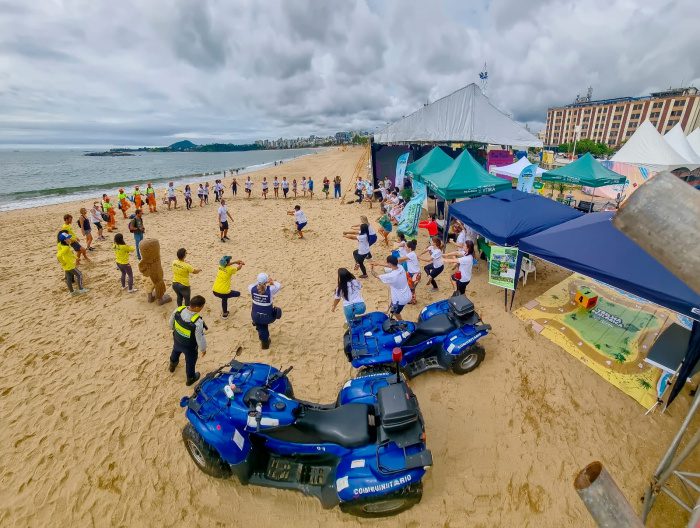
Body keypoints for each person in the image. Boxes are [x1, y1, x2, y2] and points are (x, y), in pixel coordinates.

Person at [168, 295, 207, 386]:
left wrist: (177, 331)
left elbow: (170, 323)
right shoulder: (197, 322)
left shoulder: (178, 310)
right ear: (197, 307)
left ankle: (172, 366)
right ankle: (190, 378)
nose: (202, 308)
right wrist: (203, 349)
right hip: (189, 347)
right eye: (202, 307)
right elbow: (199, 338)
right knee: (190, 362)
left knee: (175, 351)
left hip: (177, 339)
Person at [369, 255, 412, 320]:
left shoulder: (391, 276)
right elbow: (389, 265)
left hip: (400, 300)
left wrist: (371, 269)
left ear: (390, 263)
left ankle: (401, 322)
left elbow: (376, 275)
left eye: (387, 262)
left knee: (396, 313)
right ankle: (388, 310)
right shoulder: (401, 267)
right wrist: (378, 264)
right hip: (408, 294)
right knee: (392, 302)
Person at [249, 273, 282, 349]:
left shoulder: (251, 288)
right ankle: (264, 341)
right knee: (264, 322)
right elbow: (279, 285)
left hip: (255, 316)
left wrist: (259, 282)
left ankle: (264, 340)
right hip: (268, 317)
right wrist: (272, 282)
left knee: (261, 325)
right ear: (266, 281)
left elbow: (252, 285)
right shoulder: (270, 290)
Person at [57, 231, 88, 296]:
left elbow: (70, 253)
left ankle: (72, 292)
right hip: (70, 265)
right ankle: (81, 289)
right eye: (68, 238)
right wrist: (63, 262)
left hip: (66, 266)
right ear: (65, 240)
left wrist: (76, 258)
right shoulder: (66, 247)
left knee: (68, 278)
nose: (69, 239)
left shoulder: (60, 244)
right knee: (79, 275)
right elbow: (58, 256)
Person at [398, 239, 421, 304]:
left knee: (411, 289)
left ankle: (413, 301)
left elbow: (400, 259)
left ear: (409, 248)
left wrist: (392, 259)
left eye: (406, 247)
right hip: (413, 274)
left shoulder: (411, 254)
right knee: (410, 288)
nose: (405, 248)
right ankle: (412, 300)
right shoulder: (411, 254)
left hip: (414, 275)